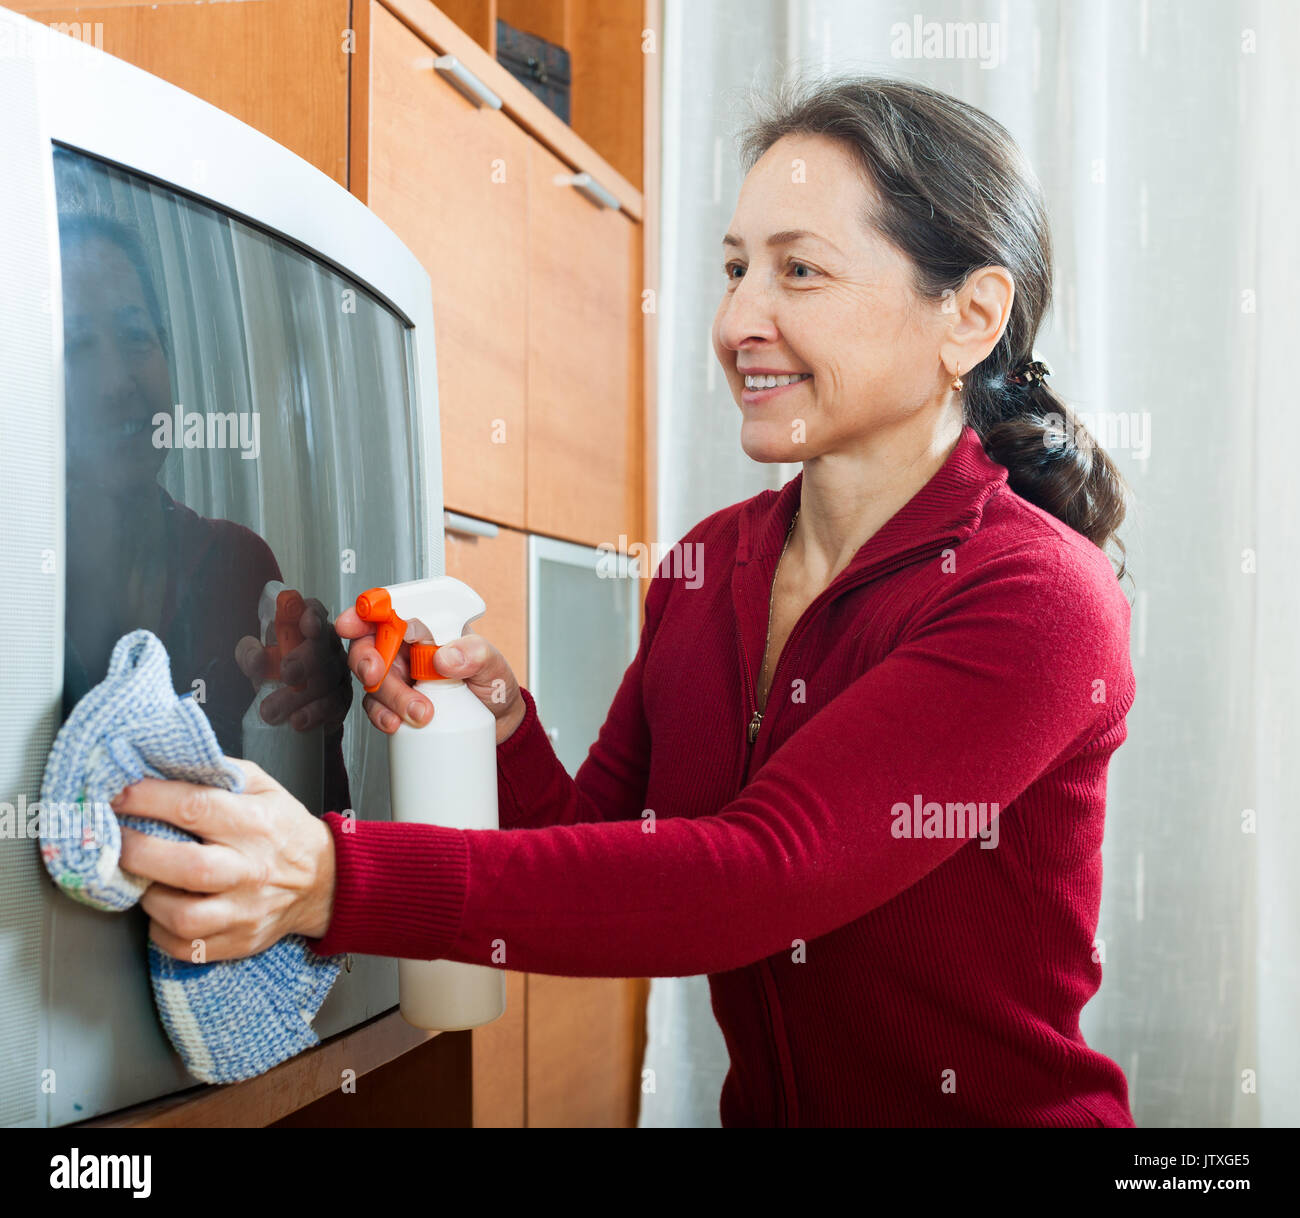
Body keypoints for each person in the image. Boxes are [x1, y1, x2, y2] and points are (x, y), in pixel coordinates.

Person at [115, 74, 1138, 1127]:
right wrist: (501, 725)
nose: (740, 318)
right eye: (736, 268)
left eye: (800, 270)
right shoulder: (709, 566)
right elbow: (607, 840)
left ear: (969, 315)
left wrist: (338, 877)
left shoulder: (1037, 596)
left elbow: (756, 878)